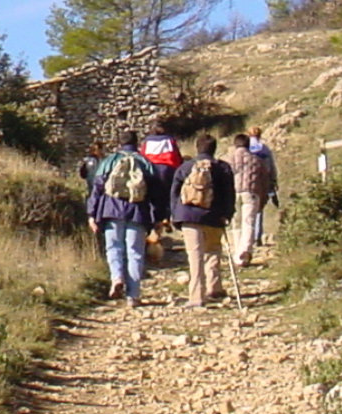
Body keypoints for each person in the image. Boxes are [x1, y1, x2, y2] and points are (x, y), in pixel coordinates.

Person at [86, 132, 157, 307]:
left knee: (114, 247)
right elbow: (155, 192)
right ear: (137, 143)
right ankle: (133, 295)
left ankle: (116, 277)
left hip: (111, 211)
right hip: (137, 212)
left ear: (119, 143)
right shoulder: (145, 162)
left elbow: (97, 189)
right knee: (135, 253)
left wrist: (92, 214)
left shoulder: (109, 161)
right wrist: (157, 217)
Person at [169, 134, 237, 309]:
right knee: (213, 251)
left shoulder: (185, 167)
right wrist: (227, 214)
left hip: (189, 216)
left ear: (196, 148)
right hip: (214, 216)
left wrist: (176, 216)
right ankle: (214, 288)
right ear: (214, 149)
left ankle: (196, 297)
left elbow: (175, 193)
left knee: (195, 256)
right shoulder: (222, 168)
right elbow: (229, 193)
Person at [227, 132, 274, 266]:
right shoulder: (257, 160)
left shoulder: (229, 159)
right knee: (248, 222)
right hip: (251, 193)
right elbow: (265, 181)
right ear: (248, 145)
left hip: (233, 193)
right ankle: (245, 250)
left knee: (235, 223)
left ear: (235, 145)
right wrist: (264, 199)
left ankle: (237, 252)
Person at [246, 127, 279, 246]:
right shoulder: (265, 149)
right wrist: (273, 182)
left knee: (247, 210)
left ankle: (247, 238)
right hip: (263, 182)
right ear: (260, 135)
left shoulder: (245, 148)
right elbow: (272, 168)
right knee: (259, 209)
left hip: (248, 182)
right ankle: (257, 237)